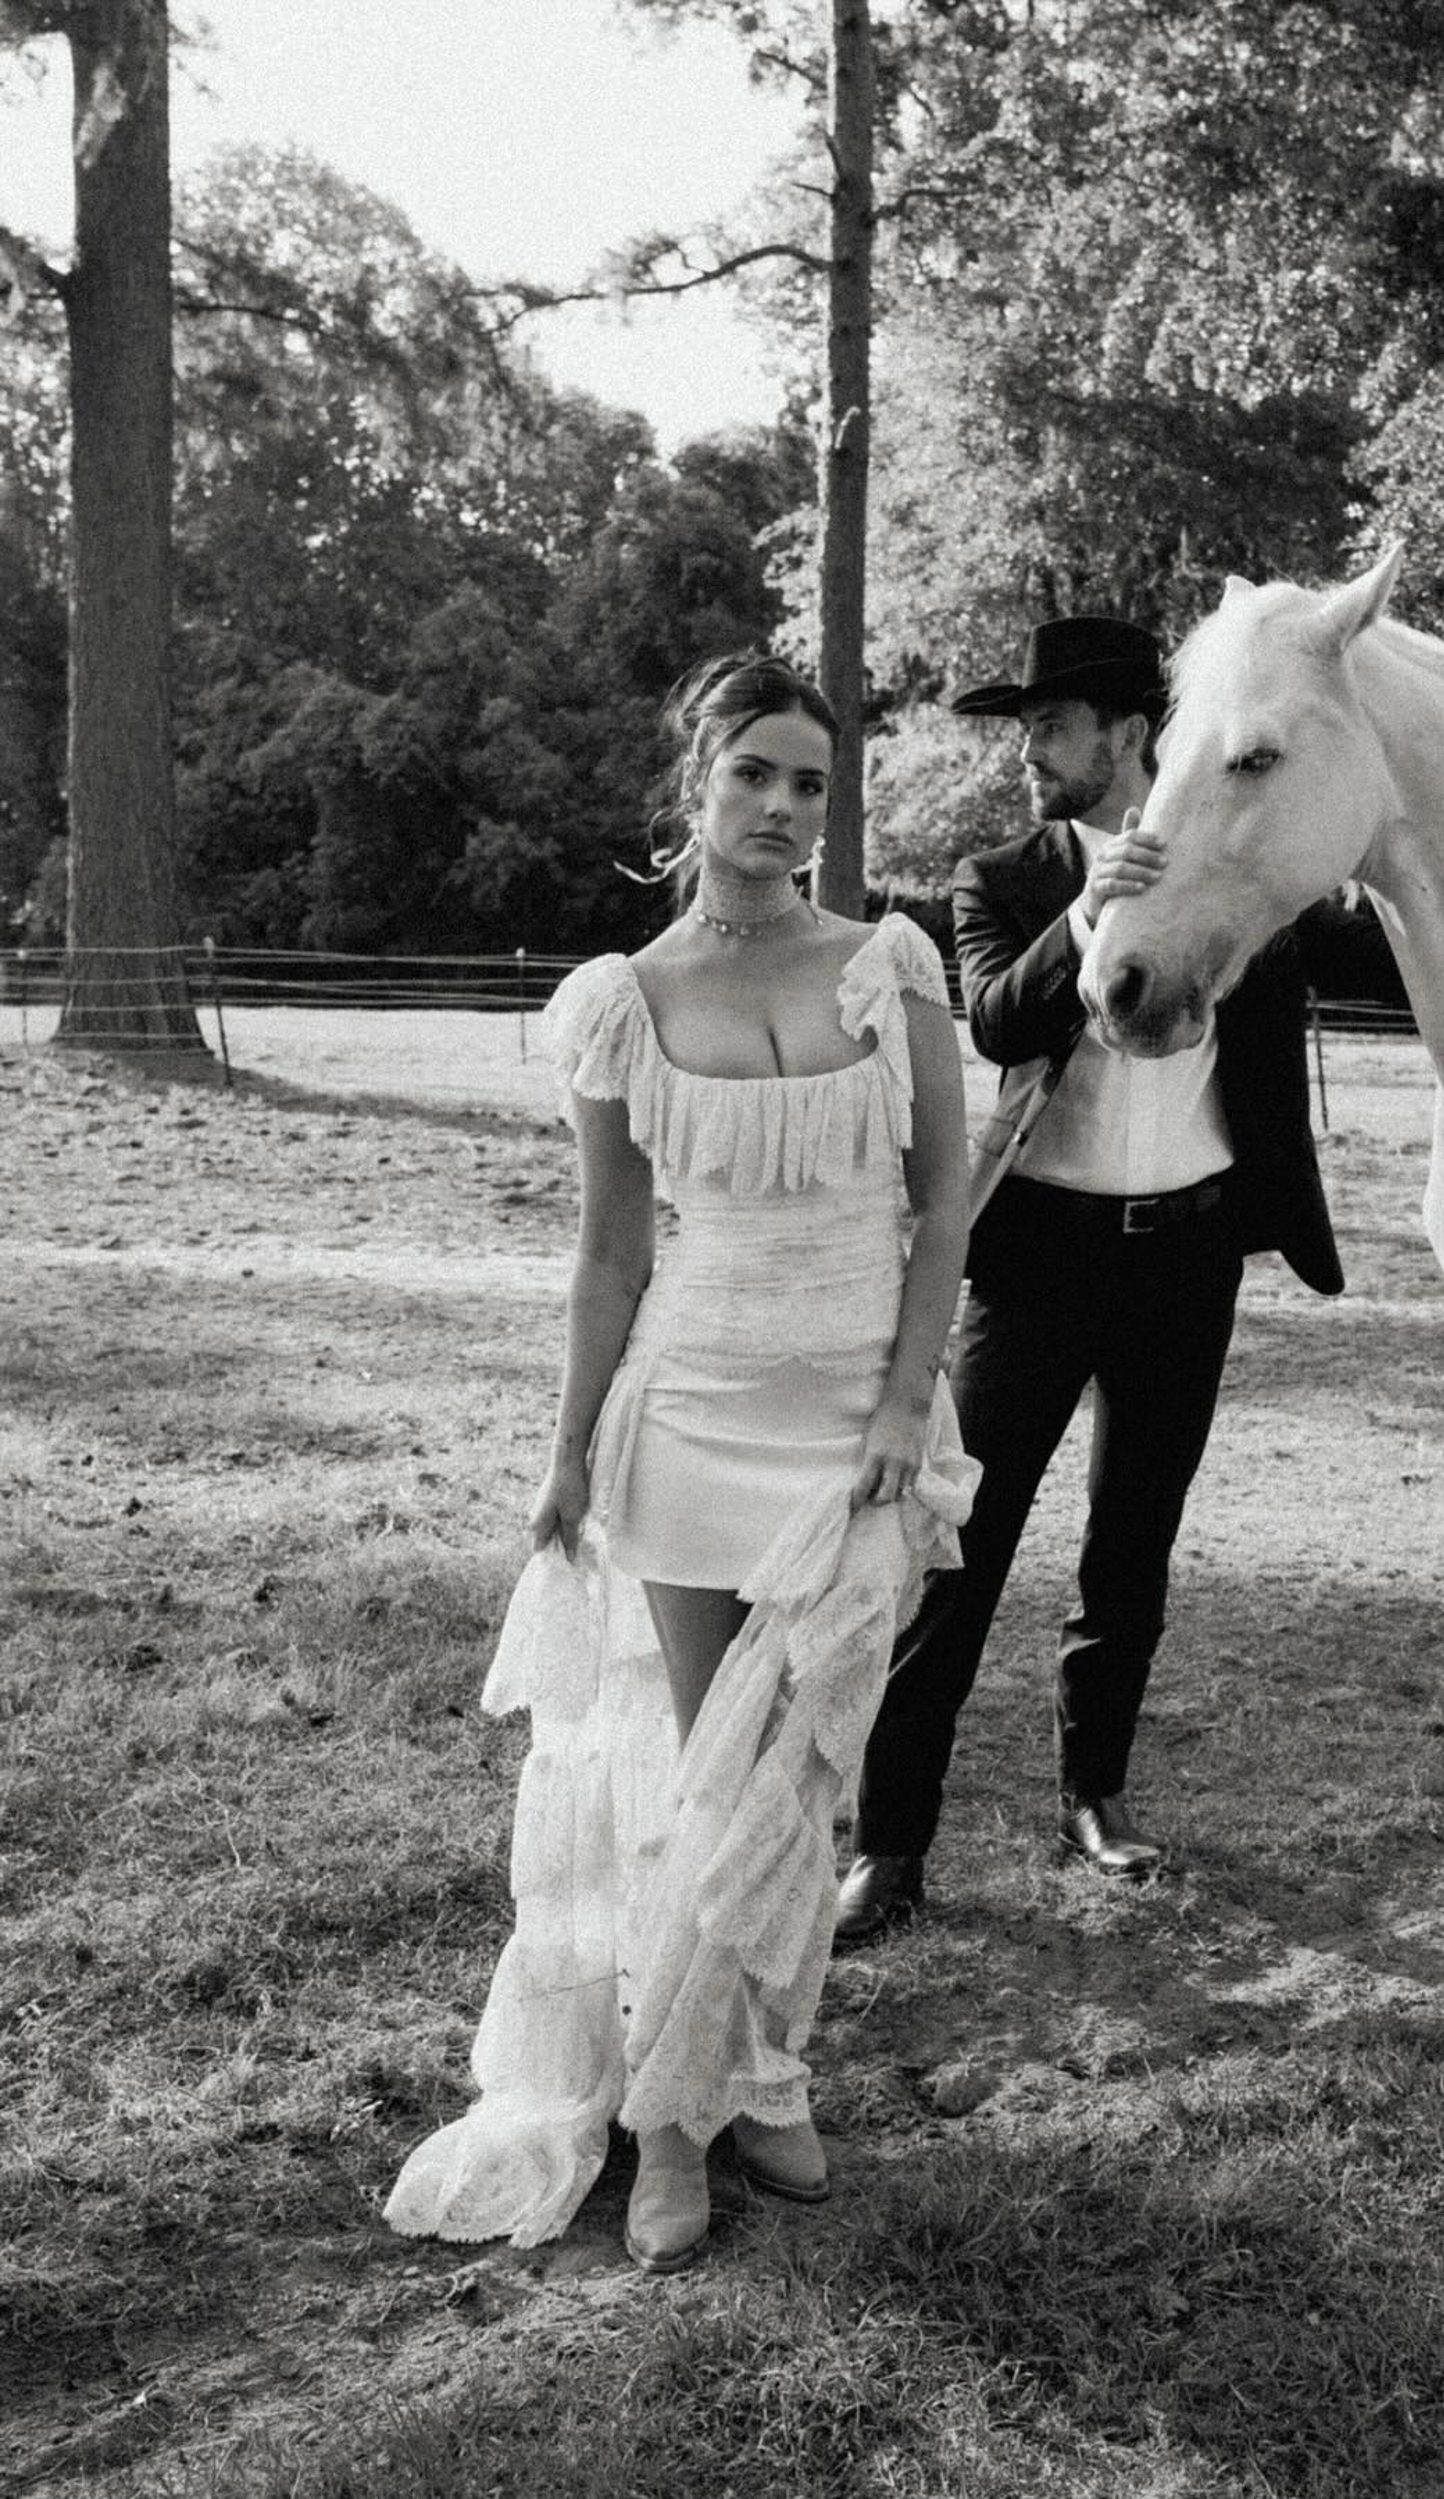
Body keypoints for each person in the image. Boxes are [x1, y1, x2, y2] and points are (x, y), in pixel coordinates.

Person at [385, 653, 975, 2273]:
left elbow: (944, 1207)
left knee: (804, 1778)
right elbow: (605, 1259)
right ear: (695, 787)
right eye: (755, 778)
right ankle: (676, 2122)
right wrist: (567, 1452)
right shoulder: (620, 1004)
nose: (785, 811)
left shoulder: (891, 965)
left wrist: (905, 1406)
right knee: (714, 1790)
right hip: (686, 1424)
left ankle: (746, 2075)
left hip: (859, 1426)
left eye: (810, 783)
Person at [835, 614, 1373, 1945]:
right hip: (1035, 1258)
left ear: (1130, 735)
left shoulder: (1244, 869)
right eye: (1027, 734)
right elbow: (996, 1018)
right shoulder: (1004, 874)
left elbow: (1366, 941)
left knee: (1131, 1544)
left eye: (1053, 729)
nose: (1031, 753)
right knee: (956, 1550)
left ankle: (1096, 1794)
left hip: (1188, 1252)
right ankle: (890, 1842)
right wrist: (1087, 910)